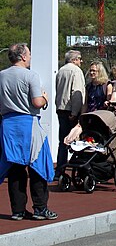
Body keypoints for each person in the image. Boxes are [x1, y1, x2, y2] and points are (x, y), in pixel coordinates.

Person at [0, 43, 57, 221]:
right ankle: (40, 208)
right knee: (37, 167)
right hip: (28, 124)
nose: (31, 57)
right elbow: (37, 102)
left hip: (8, 125)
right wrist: (45, 97)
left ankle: (18, 210)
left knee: (15, 168)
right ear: (23, 56)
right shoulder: (30, 75)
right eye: (29, 54)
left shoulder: (1, 75)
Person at [54, 50, 85, 178]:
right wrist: (75, 112)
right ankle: (79, 168)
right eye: (79, 58)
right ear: (74, 59)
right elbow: (77, 93)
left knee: (62, 141)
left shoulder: (61, 71)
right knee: (77, 140)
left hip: (61, 108)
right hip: (71, 110)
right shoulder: (76, 71)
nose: (81, 61)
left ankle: (60, 169)